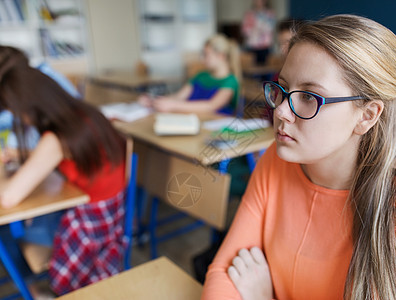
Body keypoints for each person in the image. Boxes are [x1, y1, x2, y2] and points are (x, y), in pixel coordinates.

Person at [202, 15, 396, 300]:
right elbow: (224, 273)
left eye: (309, 96)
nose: (281, 111)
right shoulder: (277, 158)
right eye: (283, 90)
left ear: (367, 115)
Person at [0, 46, 127, 296]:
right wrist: (20, 155)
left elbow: (7, 197)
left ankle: (33, 288)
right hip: (112, 212)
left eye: (18, 114)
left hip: (92, 222)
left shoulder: (55, 139)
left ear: (30, 109)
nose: (23, 120)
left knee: (6, 229)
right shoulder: (80, 114)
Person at [139, 34, 241, 115]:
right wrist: (154, 101)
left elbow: (211, 106)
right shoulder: (201, 76)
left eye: (206, 55)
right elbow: (179, 96)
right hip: (190, 121)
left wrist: (174, 106)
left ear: (221, 56)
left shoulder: (230, 81)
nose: (202, 59)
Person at [241, 0, 276, 65]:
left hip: (265, 46)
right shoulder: (249, 14)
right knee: (251, 69)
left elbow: (270, 28)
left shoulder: (270, 13)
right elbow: (245, 31)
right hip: (252, 46)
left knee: (266, 69)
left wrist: (255, 27)